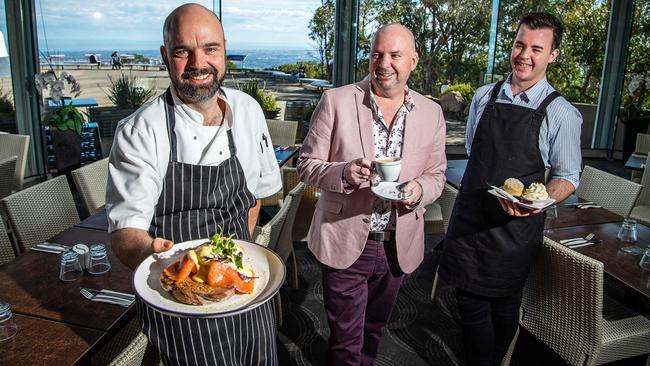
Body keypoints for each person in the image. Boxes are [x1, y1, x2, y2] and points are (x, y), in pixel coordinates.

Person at [106, 4, 282, 365]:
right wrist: (157, 257)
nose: (198, 63)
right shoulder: (140, 131)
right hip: (179, 307)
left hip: (245, 294)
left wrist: (235, 263)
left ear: (224, 49)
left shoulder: (247, 110)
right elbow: (124, 235)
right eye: (182, 50)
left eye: (210, 49)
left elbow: (252, 201)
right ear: (164, 56)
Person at [297, 24, 447, 365]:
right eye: (377, 54)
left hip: (399, 242)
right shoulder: (336, 101)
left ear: (412, 61)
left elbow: (436, 175)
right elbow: (306, 165)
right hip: (346, 237)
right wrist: (344, 172)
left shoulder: (431, 112)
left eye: (395, 55)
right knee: (345, 341)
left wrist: (418, 189)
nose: (384, 63)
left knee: (374, 331)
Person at [437, 12, 582, 366]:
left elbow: (567, 176)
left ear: (553, 55)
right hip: (472, 218)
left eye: (536, 48)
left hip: (515, 228)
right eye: (520, 44)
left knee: (504, 307)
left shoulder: (561, 113)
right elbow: (474, 150)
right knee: (468, 303)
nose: (524, 55)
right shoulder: (484, 96)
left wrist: (539, 202)